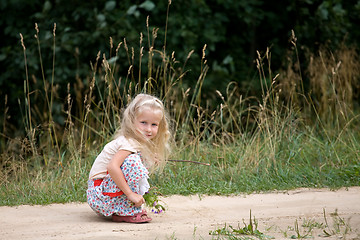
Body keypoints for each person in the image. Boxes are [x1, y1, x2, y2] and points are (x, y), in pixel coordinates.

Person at [87, 93, 171, 223]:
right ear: (132, 121)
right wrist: (130, 194)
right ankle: (125, 210)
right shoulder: (128, 142)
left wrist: (148, 158)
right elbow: (112, 167)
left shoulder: (135, 142)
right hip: (100, 195)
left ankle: (124, 207)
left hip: (104, 193)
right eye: (143, 123)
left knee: (137, 160)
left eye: (154, 124)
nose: (148, 129)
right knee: (132, 161)